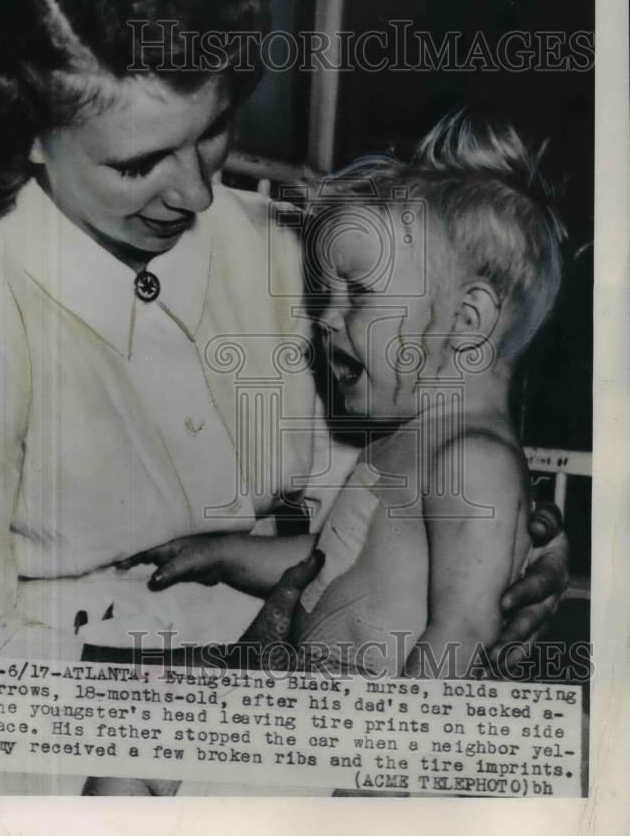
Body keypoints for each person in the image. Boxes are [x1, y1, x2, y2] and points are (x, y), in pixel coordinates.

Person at [0, 0, 568, 796]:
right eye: (138, 164)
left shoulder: (297, 254)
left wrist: (498, 558)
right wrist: (209, 689)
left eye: (211, 131)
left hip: (308, 692)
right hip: (66, 718)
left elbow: (384, 490)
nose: (199, 196)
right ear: (29, 139)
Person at [123, 110, 568, 681]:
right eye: (327, 294)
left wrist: (388, 751)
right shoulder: (411, 439)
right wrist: (227, 554)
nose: (326, 318)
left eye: (357, 292)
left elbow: (464, 631)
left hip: (371, 733)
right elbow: (333, 558)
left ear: (467, 320)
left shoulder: (472, 460)